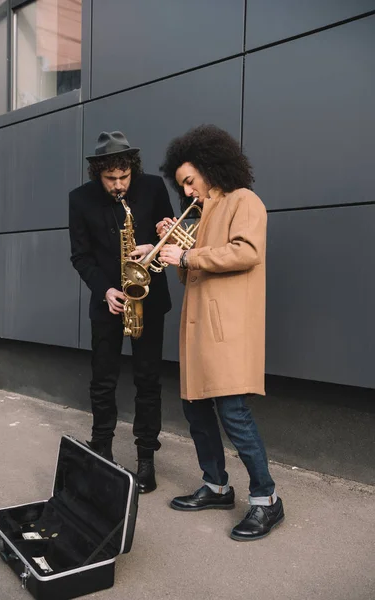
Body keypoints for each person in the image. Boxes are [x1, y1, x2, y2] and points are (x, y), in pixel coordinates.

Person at [157, 124, 284, 539]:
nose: (188, 191)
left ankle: (266, 500)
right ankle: (216, 486)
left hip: (226, 331)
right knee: (196, 412)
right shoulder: (201, 213)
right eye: (182, 186)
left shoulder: (244, 200)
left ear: (210, 166)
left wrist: (188, 253)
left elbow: (247, 252)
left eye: (190, 180)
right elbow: (194, 273)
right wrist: (166, 248)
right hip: (198, 334)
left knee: (234, 414)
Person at [69, 131, 174, 493]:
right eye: (111, 178)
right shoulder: (80, 200)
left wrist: (153, 247)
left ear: (132, 169)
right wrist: (106, 290)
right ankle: (102, 449)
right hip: (109, 299)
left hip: (148, 297)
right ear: (98, 173)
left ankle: (146, 459)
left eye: (124, 177)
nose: (119, 185)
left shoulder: (153, 187)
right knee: (103, 380)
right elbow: (80, 256)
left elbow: (170, 236)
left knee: (148, 380)